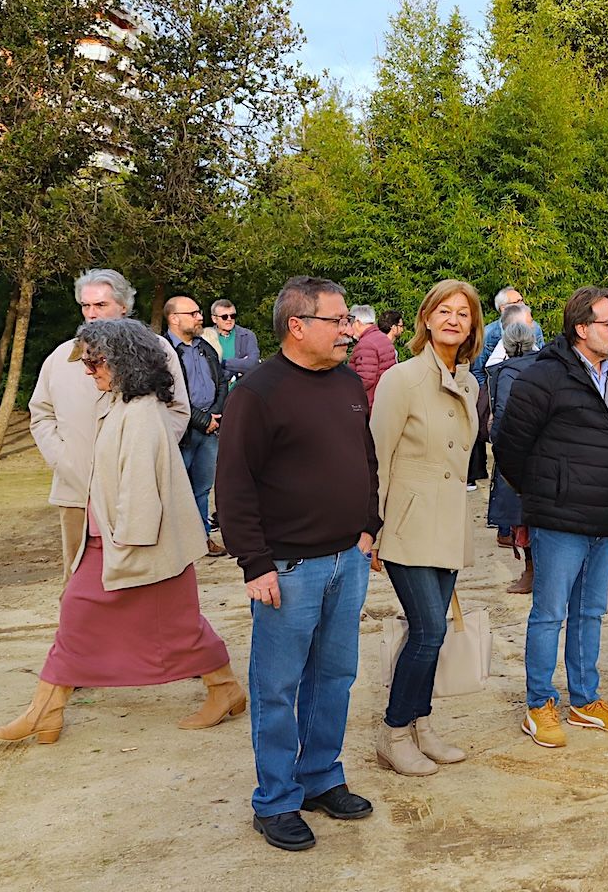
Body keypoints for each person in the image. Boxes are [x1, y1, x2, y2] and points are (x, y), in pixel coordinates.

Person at [0, 318, 244, 746]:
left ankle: (46, 711)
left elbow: (140, 487)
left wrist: (127, 545)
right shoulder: (120, 403)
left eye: (95, 362)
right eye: (86, 362)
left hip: (131, 542)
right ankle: (222, 687)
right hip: (118, 538)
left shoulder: (139, 414)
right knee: (166, 623)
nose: (89, 371)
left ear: (125, 361)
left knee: (91, 615)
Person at [216, 277, 381, 852]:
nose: (348, 331)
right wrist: (254, 563)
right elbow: (233, 484)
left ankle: (319, 778)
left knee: (335, 678)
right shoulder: (257, 393)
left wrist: (368, 527)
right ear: (298, 325)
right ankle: (277, 800)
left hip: (348, 559)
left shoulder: (347, 382)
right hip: (286, 569)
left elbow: (365, 457)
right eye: (337, 322)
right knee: (277, 686)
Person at [495, 286, 608, 748]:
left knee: (590, 613)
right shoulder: (543, 377)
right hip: (558, 519)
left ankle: (584, 700)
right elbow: (510, 447)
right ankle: (539, 704)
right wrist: (545, 491)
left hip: (606, 515)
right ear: (582, 329)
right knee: (549, 614)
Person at [368, 280, 483, 777]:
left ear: (474, 325)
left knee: (430, 633)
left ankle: (421, 724)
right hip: (409, 524)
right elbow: (376, 456)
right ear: (427, 318)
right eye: (444, 310)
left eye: (464, 313)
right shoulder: (402, 379)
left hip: (449, 524)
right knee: (429, 629)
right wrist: (371, 526)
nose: (454, 319)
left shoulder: (471, 382)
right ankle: (394, 732)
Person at [29, 268, 189, 576]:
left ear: (124, 306)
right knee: (79, 583)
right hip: (77, 493)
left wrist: (143, 458)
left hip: (140, 494)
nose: (91, 314)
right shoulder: (60, 358)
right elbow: (41, 413)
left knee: (143, 581)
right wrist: (64, 461)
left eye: (100, 305)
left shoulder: (156, 350)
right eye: (86, 306)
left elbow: (177, 409)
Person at [165, 295, 229, 556]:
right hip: (181, 431)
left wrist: (214, 416)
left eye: (198, 312)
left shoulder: (206, 348)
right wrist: (202, 421)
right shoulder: (163, 350)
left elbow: (222, 382)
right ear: (174, 318)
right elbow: (166, 393)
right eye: (193, 313)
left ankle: (202, 538)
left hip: (210, 430)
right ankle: (176, 543)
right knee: (175, 490)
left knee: (202, 489)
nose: (200, 316)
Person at [488, 318, 544, 594]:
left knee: (524, 517)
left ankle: (532, 573)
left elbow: (501, 416)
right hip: (548, 452)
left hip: (523, 454)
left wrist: (498, 446)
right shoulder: (547, 365)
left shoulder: (508, 372)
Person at [470, 287, 527, 490]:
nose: (522, 303)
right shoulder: (490, 333)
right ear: (503, 308)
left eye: (522, 300)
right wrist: (486, 398)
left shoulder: (534, 328)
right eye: (516, 301)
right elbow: (478, 369)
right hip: (499, 398)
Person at [204, 298, 262, 385]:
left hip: (241, 391)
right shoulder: (205, 338)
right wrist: (237, 371)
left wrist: (222, 362)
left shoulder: (247, 336)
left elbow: (253, 364)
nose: (229, 319)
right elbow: (206, 369)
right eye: (224, 317)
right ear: (214, 319)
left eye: (233, 316)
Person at [348, 304, 397, 407]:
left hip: (370, 402)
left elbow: (365, 379)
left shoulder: (366, 344)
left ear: (357, 322)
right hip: (384, 398)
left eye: (350, 322)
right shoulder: (383, 338)